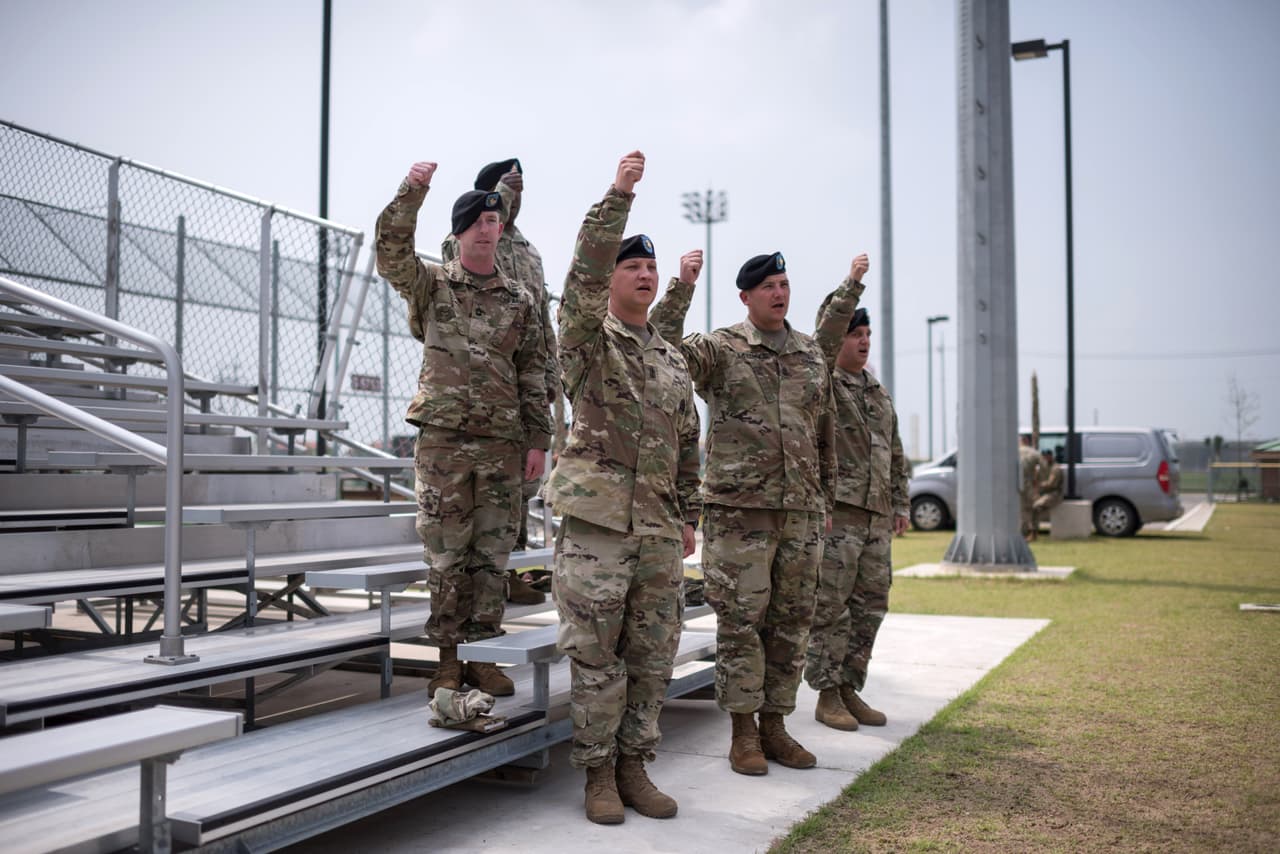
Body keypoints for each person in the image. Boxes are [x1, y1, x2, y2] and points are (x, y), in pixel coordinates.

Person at [546, 151, 702, 824]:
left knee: (652, 656)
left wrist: (689, 514)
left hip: (661, 531)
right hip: (598, 530)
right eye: (631, 265)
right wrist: (617, 198)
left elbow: (688, 441)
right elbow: (579, 277)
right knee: (595, 657)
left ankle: (637, 767)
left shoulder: (671, 358)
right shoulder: (587, 340)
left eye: (650, 266)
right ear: (610, 279)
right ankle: (599, 775)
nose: (644, 274)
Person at [651, 248, 835, 776]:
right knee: (741, 624)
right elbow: (664, 348)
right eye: (769, 286)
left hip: (799, 510)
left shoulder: (809, 353)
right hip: (738, 513)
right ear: (746, 297)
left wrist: (823, 497)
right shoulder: (722, 348)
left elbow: (820, 434)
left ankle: (776, 725)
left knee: (792, 622)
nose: (780, 293)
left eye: (784, 283)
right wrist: (681, 288)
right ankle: (743, 733)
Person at [375, 160, 552, 699]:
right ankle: (448, 662)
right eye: (475, 219)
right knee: (447, 555)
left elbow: (532, 368)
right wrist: (414, 190)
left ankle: (484, 657)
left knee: (491, 556)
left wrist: (538, 439)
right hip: (445, 442)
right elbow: (390, 251)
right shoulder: (431, 285)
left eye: (493, 220)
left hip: (502, 442)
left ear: (502, 229)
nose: (486, 226)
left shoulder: (519, 300)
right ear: (458, 232)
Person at [442, 158, 560, 606]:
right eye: (507, 187)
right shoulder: (463, 238)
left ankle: (506, 565)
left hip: (523, 384)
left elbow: (542, 316)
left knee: (520, 486)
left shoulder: (528, 251)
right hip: (477, 385)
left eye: (519, 188)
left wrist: (549, 374)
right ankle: (475, 577)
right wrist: (498, 201)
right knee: (476, 490)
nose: (515, 197)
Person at [805, 263, 911, 731]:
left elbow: (896, 453)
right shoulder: (825, 381)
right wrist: (849, 287)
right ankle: (827, 693)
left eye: (867, 333)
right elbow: (824, 333)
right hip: (838, 516)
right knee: (832, 606)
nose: (863, 341)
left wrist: (900, 504)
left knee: (872, 604)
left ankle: (850, 686)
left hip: (876, 517)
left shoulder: (877, 392)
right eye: (855, 334)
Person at [1031, 448, 1065, 538]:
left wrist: (1039, 485)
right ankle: (1027, 530)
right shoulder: (1042, 468)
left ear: (1051, 456)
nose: (1045, 458)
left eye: (1047, 456)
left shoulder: (1056, 468)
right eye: (1044, 457)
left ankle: (1034, 532)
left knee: (1036, 506)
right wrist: (1036, 492)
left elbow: (1051, 484)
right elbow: (1035, 481)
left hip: (1054, 494)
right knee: (1027, 504)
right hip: (1044, 493)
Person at [1019, 435, 1043, 539]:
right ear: (1028, 441)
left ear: (1022, 440)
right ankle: (1034, 531)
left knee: (1021, 509)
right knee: (1035, 506)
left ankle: (1023, 531)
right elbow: (1044, 467)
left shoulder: (1013, 451)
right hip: (1030, 483)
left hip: (1016, 483)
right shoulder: (1034, 453)